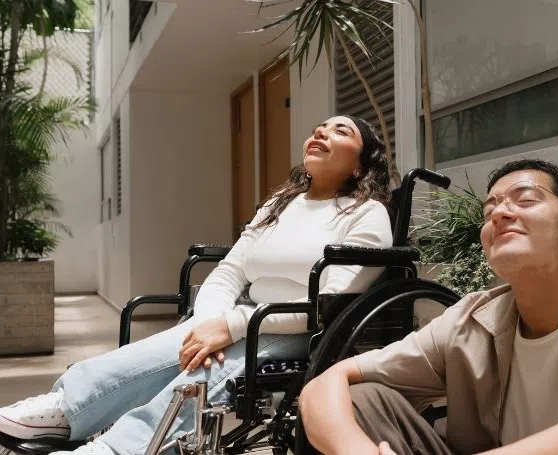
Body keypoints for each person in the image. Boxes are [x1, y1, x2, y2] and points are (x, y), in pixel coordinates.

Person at [0, 115, 394, 455]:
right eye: (318, 128)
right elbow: (229, 271)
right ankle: (62, 410)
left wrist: (233, 327)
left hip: (304, 330)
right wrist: (207, 321)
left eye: (340, 131)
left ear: (360, 166)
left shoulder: (367, 214)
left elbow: (330, 301)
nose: (322, 132)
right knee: (178, 346)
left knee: (213, 366)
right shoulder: (281, 204)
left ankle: (118, 448)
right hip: (239, 317)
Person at [299, 159, 558, 455]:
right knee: (363, 400)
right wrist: (356, 451)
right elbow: (326, 384)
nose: (499, 213)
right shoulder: (472, 321)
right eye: (490, 210)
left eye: (526, 200)